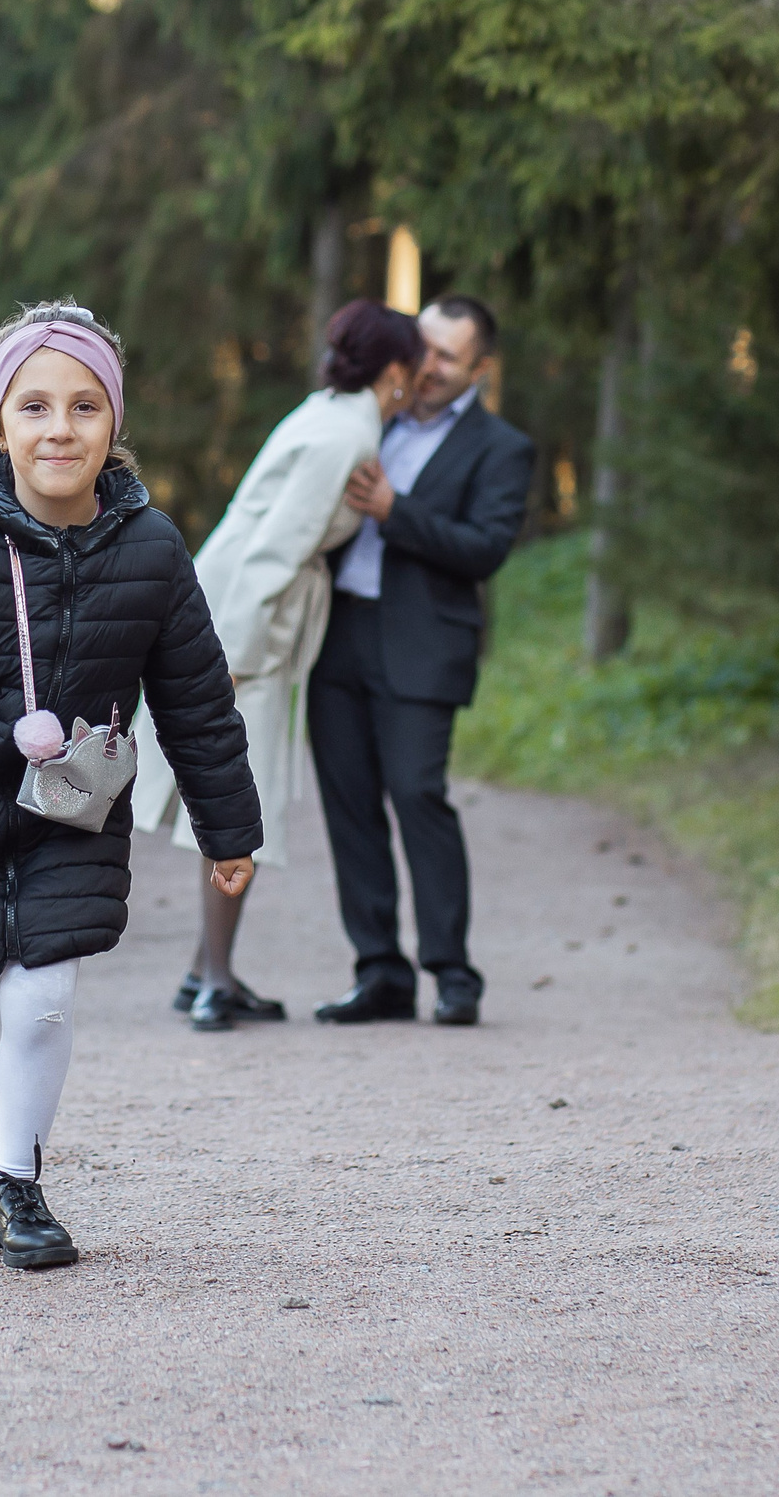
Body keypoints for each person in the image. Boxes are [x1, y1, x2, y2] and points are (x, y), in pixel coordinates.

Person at [0, 300, 262, 1269]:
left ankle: (15, 1185)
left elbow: (197, 703)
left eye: (85, 406)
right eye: (34, 407)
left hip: (68, 822)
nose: (60, 429)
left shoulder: (152, 550)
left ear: (114, 422)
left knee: (41, 1003)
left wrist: (227, 830)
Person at [130, 301, 421, 1030]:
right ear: (395, 370)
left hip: (251, 610)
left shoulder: (329, 412)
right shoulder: (346, 435)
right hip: (246, 619)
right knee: (236, 797)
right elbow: (274, 551)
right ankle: (215, 982)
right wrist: (229, 657)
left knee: (234, 793)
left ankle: (206, 970)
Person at [308, 293, 535, 1027]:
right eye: (422, 346)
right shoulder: (369, 416)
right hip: (338, 633)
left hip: (423, 645)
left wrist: (394, 511)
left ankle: (451, 970)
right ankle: (379, 970)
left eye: (447, 356)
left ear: (481, 369)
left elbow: (485, 548)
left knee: (417, 794)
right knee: (348, 803)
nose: (426, 365)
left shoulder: (502, 448)